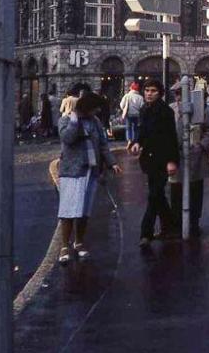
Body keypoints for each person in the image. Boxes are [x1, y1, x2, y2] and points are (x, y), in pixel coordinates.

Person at [56, 91, 122, 264]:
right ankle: (64, 245)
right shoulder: (65, 120)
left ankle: (79, 242)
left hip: (91, 171)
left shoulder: (95, 122)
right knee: (69, 210)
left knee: (84, 210)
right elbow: (68, 138)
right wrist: (74, 119)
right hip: (72, 170)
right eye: (94, 108)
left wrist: (111, 162)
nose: (97, 112)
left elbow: (102, 144)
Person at [130, 79, 180, 246]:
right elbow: (141, 130)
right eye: (147, 90)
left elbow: (171, 138)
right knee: (158, 196)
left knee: (153, 195)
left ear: (160, 93)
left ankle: (146, 233)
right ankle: (171, 226)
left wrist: (171, 161)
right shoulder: (144, 109)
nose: (149, 93)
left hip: (162, 158)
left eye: (153, 91)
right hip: (149, 160)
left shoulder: (165, 112)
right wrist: (137, 142)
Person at [168, 81, 209, 237]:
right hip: (176, 156)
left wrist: (201, 146)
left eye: (180, 93)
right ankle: (176, 223)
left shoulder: (200, 108)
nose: (178, 97)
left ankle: (194, 222)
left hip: (196, 157)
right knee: (176, 191)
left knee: (195, 191)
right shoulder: (170, 110)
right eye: (175, 94)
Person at [120, 82, 144, 147]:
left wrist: (124, 109)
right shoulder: (140, 97)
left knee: (128, 127)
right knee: (136, 128)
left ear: (131, 88)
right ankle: (135, 141)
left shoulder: (126, 96)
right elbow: (142, 106)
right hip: (137, 115)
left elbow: (122, 105)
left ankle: (129, 140)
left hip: (128, 114)